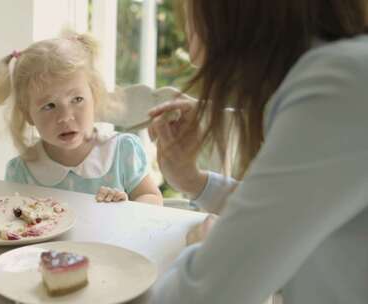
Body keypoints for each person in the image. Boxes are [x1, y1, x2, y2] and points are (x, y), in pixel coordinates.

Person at [148, 0, 368, 303]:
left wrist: (207, 247)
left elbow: (202, 295)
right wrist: (194, 182)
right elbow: (289, 213)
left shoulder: (339, 85)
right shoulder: (342, 74)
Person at [0, 31, 163, 205]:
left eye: (77, 100)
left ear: (95, 98)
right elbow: (14, 218)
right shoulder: (21, 172)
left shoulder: (122, 151)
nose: (65, 117)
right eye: (49, 106)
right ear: (28, 115)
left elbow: (153, 198)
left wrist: (126, 206)